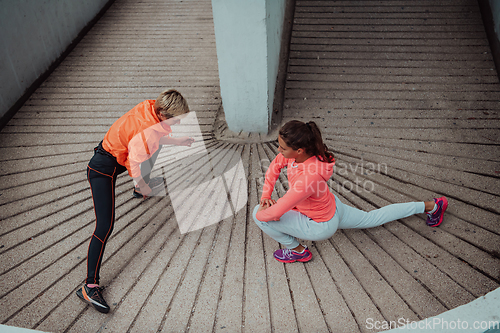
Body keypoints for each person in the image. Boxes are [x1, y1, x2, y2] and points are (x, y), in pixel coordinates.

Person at [253, 120, 448, 263]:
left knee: (257, 215)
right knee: (373, 218)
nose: (278, 150)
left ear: (300, 150)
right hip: (333, 207)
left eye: (282, 147)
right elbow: (274, 167)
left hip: (320, 225)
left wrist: (263, 211)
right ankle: (432, 206)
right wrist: (265, 196)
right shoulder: (299, 156)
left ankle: (297, 250)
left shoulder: (309, 177)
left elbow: (279, 209)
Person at [76, 89, 195, 313]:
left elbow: (153, 137)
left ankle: (141, 191)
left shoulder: (150, 107)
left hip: (115, 155)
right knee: (104, 226)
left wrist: (178, 141)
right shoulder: (147, 131)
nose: (178, 123)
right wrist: (142, 185)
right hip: (101, 170)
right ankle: (89, 286)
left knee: (155, 145)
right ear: (162, 114)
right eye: (176, 119)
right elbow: (136, 165)